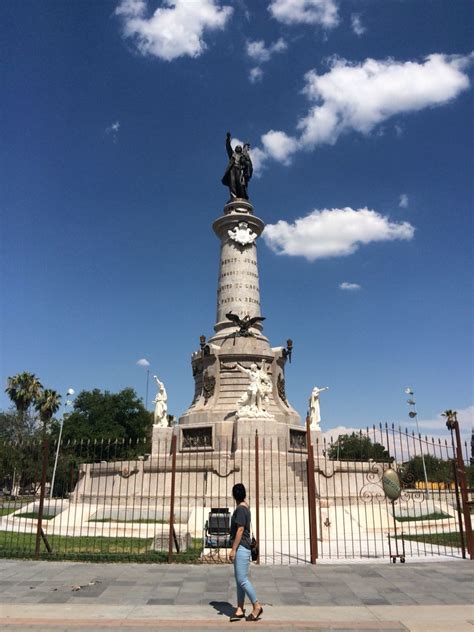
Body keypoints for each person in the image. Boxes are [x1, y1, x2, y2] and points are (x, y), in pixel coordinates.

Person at [229, 483, 263, 622]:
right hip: (242, 547)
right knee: (239, 580)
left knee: (242, 580)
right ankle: (239, 608)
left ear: (234, 495)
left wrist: (233, 549)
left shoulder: (241, 509)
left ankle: (256, 606)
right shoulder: (244, 507)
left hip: (241, 547)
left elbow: (240, 530)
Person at [222, 132, 253, 200]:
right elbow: (228, 148)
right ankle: (233, 197)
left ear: (241, 149)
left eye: (239, 147)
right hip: (232, 170)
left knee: (240, 183)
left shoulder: (243, 156)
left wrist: (245, 163)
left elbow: (247, 163)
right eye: (237, 147)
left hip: (240, 170)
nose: (238, 148)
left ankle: (242, 197)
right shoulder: (232, 154)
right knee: (232, 183)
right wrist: (228, 139)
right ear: (235, 149)